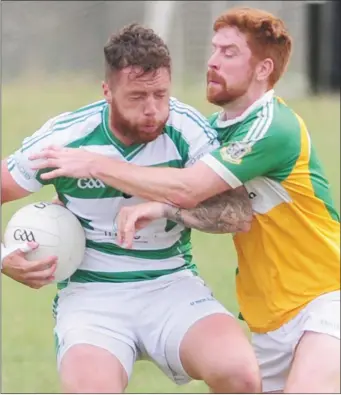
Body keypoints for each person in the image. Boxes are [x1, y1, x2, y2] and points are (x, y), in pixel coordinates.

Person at [30, 8, 341, 394]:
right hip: (270, 318)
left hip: (325, 298)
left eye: (229, 53)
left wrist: (95, 164)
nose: (212, 61)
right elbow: (206, 199)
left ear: (262, 69)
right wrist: (151, 208)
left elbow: (190, 188)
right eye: (214, 50)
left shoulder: (271, 127)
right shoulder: (213, 135)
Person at [2, 23, 261, 394]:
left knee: (242, 375)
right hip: (92, 299)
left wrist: (165, 206)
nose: (153, 109)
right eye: (138, 96)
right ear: (107, 91)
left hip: (170, 285)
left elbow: (238, 214)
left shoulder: (185, 130)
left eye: (161, 94)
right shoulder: (66, 138)